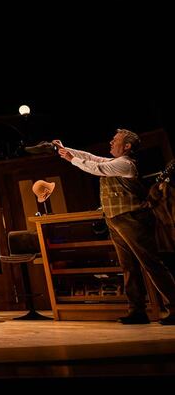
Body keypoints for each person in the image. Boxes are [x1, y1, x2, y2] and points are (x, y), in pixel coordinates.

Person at [55, 129, 175, 325]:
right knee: (128, 267)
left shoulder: (126, 164)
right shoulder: (114, 161)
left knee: (150, 263)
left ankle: (174, 306)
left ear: (127, 146)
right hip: (115, 219)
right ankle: (136, 311)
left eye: (115, 140)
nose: (111, 142)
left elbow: (95, 168)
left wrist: (71, 159)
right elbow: (91, 158)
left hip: (131, 217)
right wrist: (65, 149)